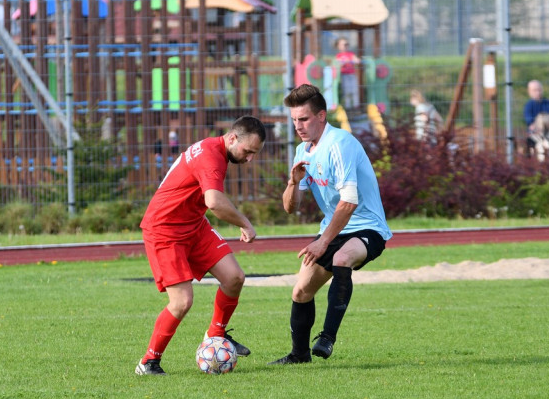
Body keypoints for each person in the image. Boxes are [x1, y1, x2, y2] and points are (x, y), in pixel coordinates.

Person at [270, 84, 392, 365]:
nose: (298, 126)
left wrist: (323, 240)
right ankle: (299, 355)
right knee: (301, 291)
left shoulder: (340, 144)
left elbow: (349, 202)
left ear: (322, 116)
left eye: (304, 119)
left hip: (367, 226)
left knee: (342, 257)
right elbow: (291, 208)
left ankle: (327, 338)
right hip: (335, 227)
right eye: (294, 120)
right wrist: (293, 182)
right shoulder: (303, 150)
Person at [135, 116, 267, 376]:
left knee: (234, 278)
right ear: (232, 138)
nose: (249, 158)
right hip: (165, 230)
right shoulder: (210, 155)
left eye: (254, 154)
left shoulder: (215, 150)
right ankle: (148, 362)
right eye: (248, 151)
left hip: (194, 225)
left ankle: (216, 335)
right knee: (182, 301)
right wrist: (245, 223)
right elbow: (215, 202)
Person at [523, 80, 549, 157]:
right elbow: (531, 125)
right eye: (534, 90)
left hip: (548, 135)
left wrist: (541, 120)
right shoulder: (528, 106)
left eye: (539, 89)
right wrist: (548, 119)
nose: (538, 92)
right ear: (529, 92)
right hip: (534, 136)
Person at [334, 38, 361, 108]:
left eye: (347, 44)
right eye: (343, 44)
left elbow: (356, 60)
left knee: (354, 90)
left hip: (352, 75)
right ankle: (347, 107)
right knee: (346, 91)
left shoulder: (350, 54)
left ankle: (356, 106)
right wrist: (344, 62)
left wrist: (355, 60)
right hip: (344, 76)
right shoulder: (339, 56)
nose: (345, 46)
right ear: (338, 46)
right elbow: (337, 64)